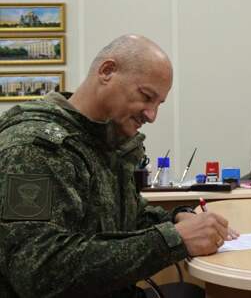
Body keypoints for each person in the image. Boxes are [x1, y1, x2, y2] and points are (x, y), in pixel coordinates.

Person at [0, 34, 236, 298]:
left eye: (158, 104)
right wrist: (173, 239)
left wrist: (176, 219)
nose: (152, 115)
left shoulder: (102, 140)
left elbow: (127, 217)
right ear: (107, 71)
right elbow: (38, 271)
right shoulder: (32, 150)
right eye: (146, 96)